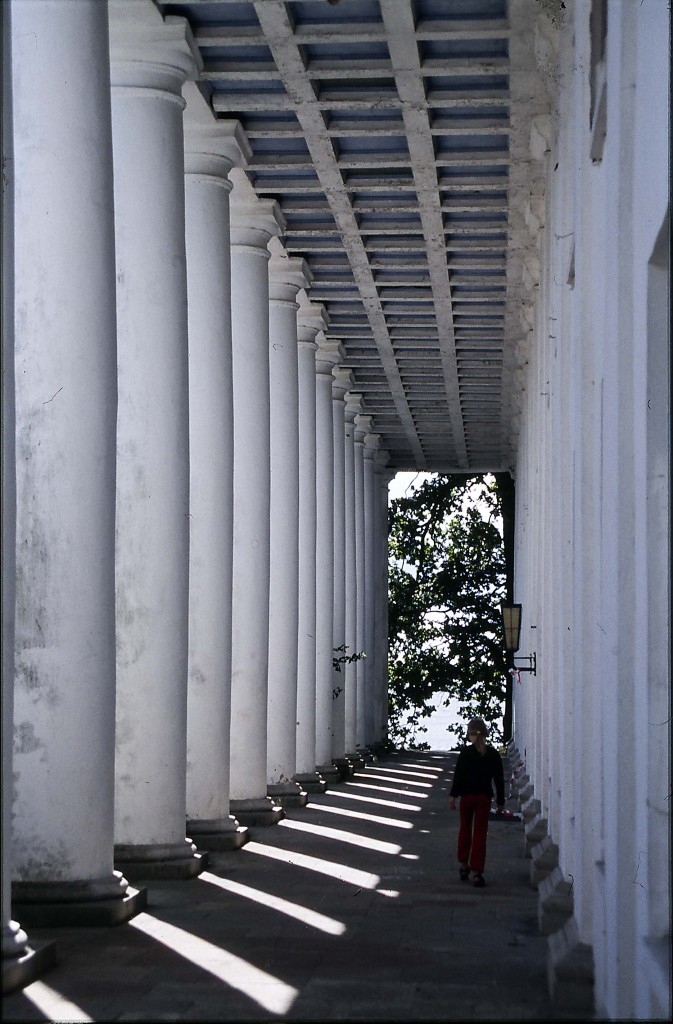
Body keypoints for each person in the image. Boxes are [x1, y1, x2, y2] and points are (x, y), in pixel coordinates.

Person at [449, 717, 505, 887]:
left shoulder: (465, 753)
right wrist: (501, 802)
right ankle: (477, 872)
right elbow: (499, 780)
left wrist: (453, 796)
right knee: (480, 834)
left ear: (470, 734)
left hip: (467, 797)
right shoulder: (493, 754)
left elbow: (458, 777)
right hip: (483, 798)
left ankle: (463, 864)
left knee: (465, 829)